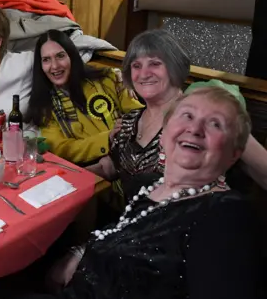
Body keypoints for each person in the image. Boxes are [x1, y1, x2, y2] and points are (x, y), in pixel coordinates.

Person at [0, 86, 262, 299]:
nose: (195, 128)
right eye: (186, 116)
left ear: (233, 153)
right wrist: (80, 253)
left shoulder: (223, 217)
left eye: (214, 124)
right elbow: (125, 232)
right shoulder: (151, 187)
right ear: (167, 131)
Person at [88, 29, 267, 198]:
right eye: (136, 66)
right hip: (137, 223)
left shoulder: (205, 118)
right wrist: (63, 175)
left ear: (175, 67)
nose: (144, 73)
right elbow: (109, 167)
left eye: (155, 64)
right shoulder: (128, 122)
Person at [25, 29, 143, 165]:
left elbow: (140, 114)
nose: (55, 66)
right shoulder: (44, 106)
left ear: (72, 56)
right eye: (46, 60)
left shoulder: (109, 78)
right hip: (94, 169)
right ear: (40, 66)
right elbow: (63, 149)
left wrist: (128, 124)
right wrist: (108, 138)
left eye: (60, 56)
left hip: (135, 154)